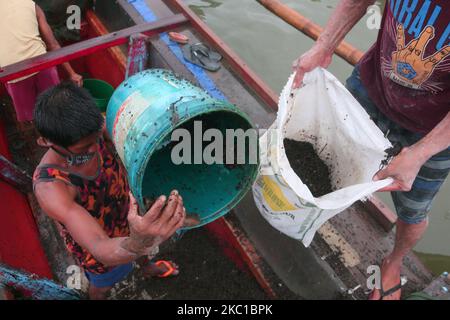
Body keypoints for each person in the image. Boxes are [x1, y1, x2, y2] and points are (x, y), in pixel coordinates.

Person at [293, 0, 449, 300]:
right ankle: (313, 213)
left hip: (434, 128)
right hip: (372, 86)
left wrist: (419, 153)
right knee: (327, 155)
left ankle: (393, 262)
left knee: (414, 209)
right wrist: (323, 47)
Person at [33, 82, 186, 299]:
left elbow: (137, 139)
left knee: (142, 246)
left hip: (127, 215)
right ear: (45, 141)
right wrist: (137, 242)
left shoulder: (93, 130)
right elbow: (100, 246)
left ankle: (147, 267)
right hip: (100, 245)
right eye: (84, 149)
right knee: (103, 284)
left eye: (96, 139)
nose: (96, 148)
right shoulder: (51, 186)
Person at [0, 0, 82, 123]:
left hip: (14, 74)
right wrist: (72, 73)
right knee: (57, 110)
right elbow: (53, 44)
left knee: (32, 118)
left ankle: (42, 135)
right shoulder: (31, 5)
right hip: (43, 65)